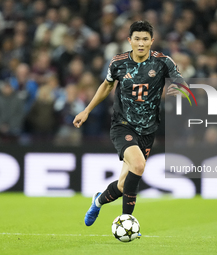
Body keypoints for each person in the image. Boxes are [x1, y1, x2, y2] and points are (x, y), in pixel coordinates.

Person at [73, 21, 185, 230]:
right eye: (137, 39)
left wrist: (180, 92)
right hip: (122, 125)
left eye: (145, 39)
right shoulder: (118, 63)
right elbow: (106, 85)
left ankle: (97, 201)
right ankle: (127, 221)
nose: (141, 43)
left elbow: (182, 86)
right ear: (129, 40)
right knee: (139, 165)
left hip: (148, 130)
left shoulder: (163, 62)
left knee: (124, 185)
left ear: (152, 41)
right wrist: (86, 110)